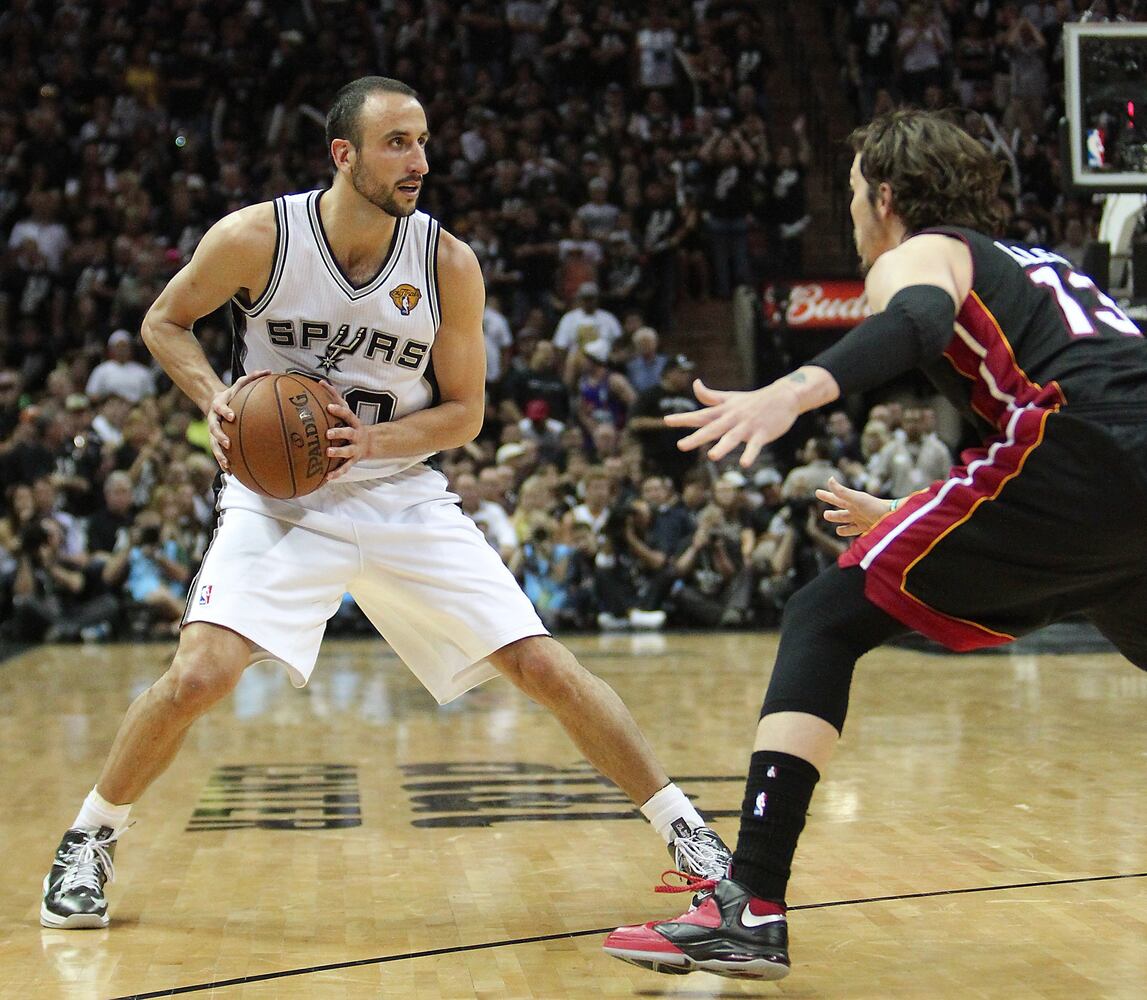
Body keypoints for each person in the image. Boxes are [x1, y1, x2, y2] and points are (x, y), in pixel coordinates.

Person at [40, 77, 730, 931]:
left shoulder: (446, 263)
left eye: (423, 141)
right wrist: (217, 399)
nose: (419, 161)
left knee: (545, 667)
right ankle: (90, 838)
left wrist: (370, 445)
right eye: (398, 142)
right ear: (344, 154)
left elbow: (464, 414)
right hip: (280, 500)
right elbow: (163, 321)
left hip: (401, 492)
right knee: (199, 675)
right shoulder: (259, 237)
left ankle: (692, 839)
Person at [604, 109, 1147, 980]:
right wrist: (906, 508)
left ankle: (750, 903)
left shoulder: (924, 250)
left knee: (823, 615)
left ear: (886, 197)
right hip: (1114, 470)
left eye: (854, 192)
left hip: (1078, 449)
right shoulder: (1038, 266)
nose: (853, 212)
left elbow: (920, 322)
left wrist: (791, 391)